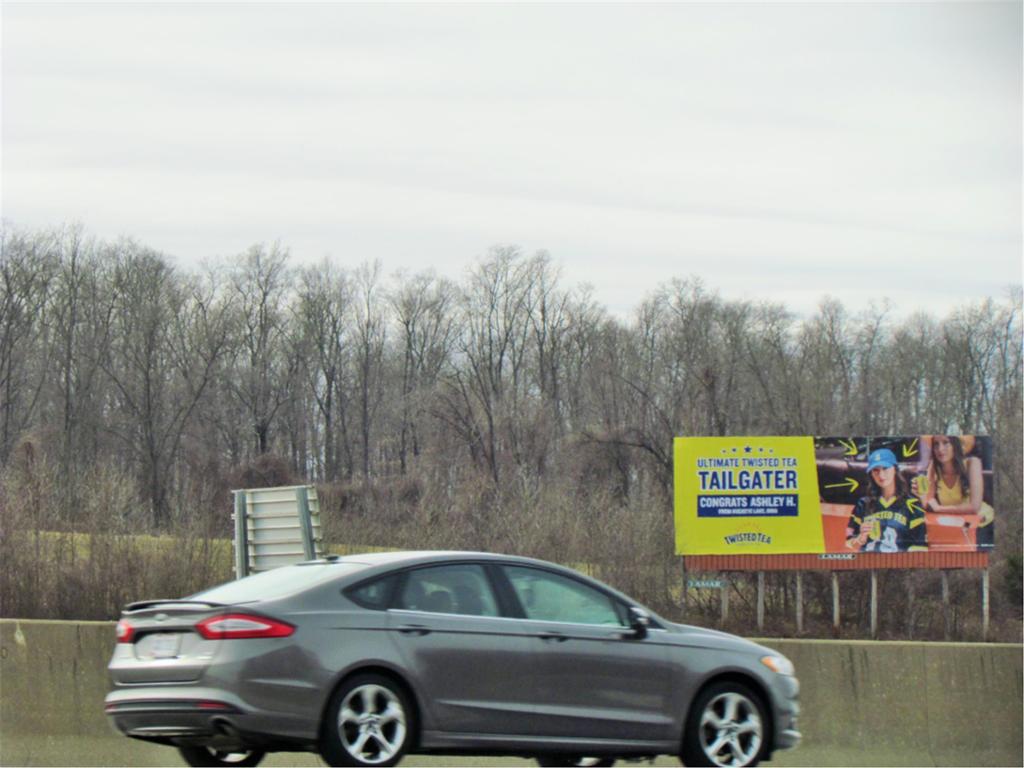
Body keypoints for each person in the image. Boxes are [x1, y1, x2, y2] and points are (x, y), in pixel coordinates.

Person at [918, 435, 994, 550]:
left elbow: (974, 507)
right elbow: (929, 501)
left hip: (979, 523)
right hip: (949, 522)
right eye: (936, 444)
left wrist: (940, 509)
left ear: (956, 445)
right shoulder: (933, 466)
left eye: (946, 443)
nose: (940, 449)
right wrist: (922, 496)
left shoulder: (972, 463)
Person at [845, 448, 927, 553]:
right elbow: (848, 544)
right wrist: (860, 539)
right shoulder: (863, 504)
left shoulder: (912, 504)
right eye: (876, 470)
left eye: (885, 468)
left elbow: (920, 547)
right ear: (871, 474)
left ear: (895, 469)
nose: (881, 475)